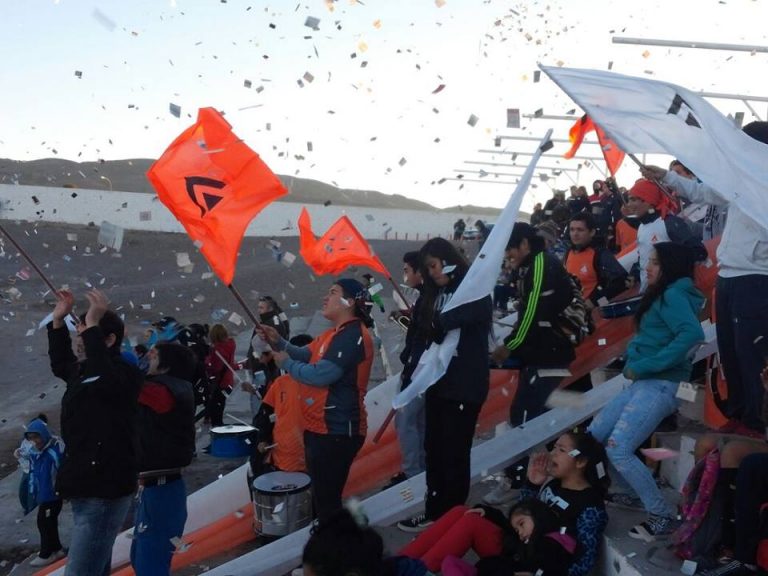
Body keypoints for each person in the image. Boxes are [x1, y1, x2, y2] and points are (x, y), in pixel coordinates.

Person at [641, 122, 768, 434]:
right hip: (728, 276)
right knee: (731, 352)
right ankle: (739, 415)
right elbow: (705, 192)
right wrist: (666, 177)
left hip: (756, 279)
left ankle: (756, 422)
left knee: (751, 355)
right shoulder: (744, 179)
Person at [588, 242, 705, 541]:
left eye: (654, 262)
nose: (647, 267)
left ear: (670, 266)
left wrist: (648, 364)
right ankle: (630, 492)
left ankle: (662, 515)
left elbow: (692, 334)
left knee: (618, 447)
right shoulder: (665, 293)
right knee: (595, 433)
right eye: (647, 261)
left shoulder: (674, 293)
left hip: (661, 384)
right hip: (643, 382)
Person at [400, 429, 609, 576]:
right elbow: (524, 518)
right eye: (553, 448)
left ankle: (415, 571)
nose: (552, 454)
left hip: (530, 564)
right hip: (518, 548)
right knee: (462, 512)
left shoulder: (590, 506)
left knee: (470, 524)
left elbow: (584, 561)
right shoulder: (554, 485)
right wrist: (533, 484)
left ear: (581, 461)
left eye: (561, 450)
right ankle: (394, 564)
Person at [258, 278, 374, 521]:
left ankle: (334, 547)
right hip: (321, 429)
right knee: (322, 497)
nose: (325, 297)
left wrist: (286, 364)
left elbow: (322, 374)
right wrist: (278, 340)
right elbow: (306, 353)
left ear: (349, 302)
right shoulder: (333, 334)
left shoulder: (354, 336)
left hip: (338, 430)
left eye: (332, 293)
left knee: (328, 500)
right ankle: (328, 539)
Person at [397, 238, 492, 532]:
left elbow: (468, 313)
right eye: (427, 270)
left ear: (447, 260)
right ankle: (434, 510)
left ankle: (452, 516)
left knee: (454, 452)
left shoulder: (472, 289)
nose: (432, 273)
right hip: (436, 383)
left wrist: (441, 322)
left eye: (434, 266)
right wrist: (410, 364)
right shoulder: (431, 293)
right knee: (433, 449)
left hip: (465, 383)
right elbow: (419, 330)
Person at [47, 288, 143, 576]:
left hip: (105, 487)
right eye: (79, 334)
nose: (79, 340)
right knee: (95, 567)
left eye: (86, 334)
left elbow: (104, 379)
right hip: (84, 482)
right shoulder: (86, 371)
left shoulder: (122, 373)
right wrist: (56, 322)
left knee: (80, 571)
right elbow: (62, 364)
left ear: (109, 340)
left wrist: (93, 319)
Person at [486, 223, 575, 505]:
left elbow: (533, 313)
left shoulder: (539, 263)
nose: (508, 255)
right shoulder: (530, 266)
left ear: (524, 244)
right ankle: (536, 480)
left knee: (525, 420)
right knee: (529, 417)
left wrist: (508, 346)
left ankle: (520, 482)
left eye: (510, 248)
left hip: (550, 353)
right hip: (541, 352)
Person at [131, 342, 196, 576]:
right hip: (155, 489)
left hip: (162, 490)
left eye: (155, 355)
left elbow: (126, 383)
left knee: (150, 564)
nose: (148, 356)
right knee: (140, 559)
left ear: (167, 366)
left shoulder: (163, 392)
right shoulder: (168, 388)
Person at [249, 334, 313, 480]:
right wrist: (263, 439)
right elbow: (266, 413)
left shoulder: (322, 383)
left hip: (309, 459)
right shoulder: (281, 383)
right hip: (284, 458)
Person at [627, 178, 707, 292]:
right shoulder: (642, 226)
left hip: (669, 293)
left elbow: (699, 252)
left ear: (649, 202)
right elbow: (644, 255)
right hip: (649, 292)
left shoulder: (669, 223)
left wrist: (667, 266)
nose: (629, 205)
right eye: (629, 200)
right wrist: (635, 272)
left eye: (633, 200)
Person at [390, 251, 428, 486]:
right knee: (418, 421)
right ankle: (421, 470)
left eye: (407, 269)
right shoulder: (426, 297)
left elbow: (422, 337)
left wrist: (410, 368)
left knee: (405, 421)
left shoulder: (430, 298)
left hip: (420, 370)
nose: (404, 273)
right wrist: (407, 314)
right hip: (419, 367)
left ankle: (413, 473)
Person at [563, 212, 628, 309]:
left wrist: (595, 302)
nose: (575, 234)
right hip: (573, 312)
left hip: (593, 315)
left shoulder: (600, 254)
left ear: (592, 232)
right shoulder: (569, 252)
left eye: (580, 230)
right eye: (572, 230)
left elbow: (621, 282)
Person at [26, 417, 66, 567]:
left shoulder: (52, 453)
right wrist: (32, 490)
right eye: (31, 438)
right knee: (49, 522)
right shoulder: (35, 454)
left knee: (44, 522)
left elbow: (60, 472)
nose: (35, 441)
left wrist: (62, 491)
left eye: (37, 437)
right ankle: (57, 549)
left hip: (53, 496)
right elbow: (32, 473)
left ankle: (46, 553)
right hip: (44, 495)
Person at [204, 323, 236, 429]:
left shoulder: (217, 350)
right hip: (229, 381)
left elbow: (215, 368)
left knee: (216, 411)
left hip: (220, 383)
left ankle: (217, 434)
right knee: (220, 407)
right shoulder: (231, 344)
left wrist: (207, 360)